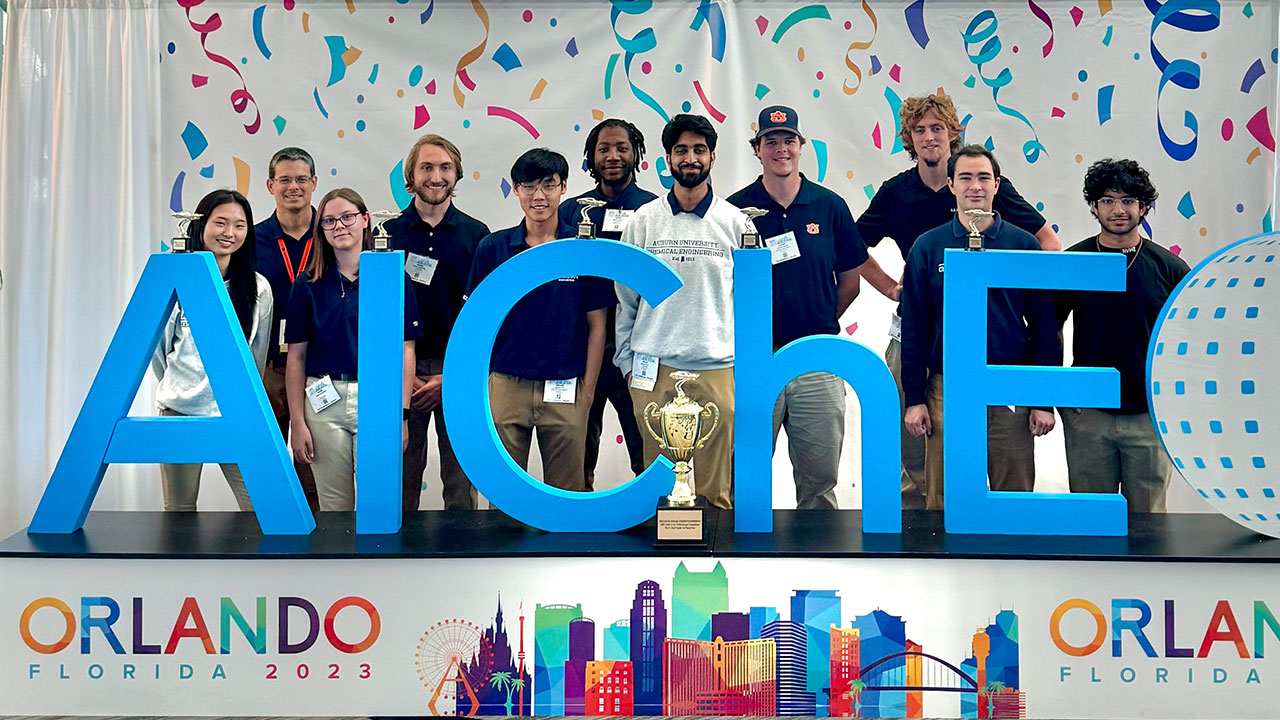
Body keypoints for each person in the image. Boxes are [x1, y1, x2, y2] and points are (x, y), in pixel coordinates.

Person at [856, 92, 1061, 510]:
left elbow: (1046, 279)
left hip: (1000, 359)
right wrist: (897, 289)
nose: (929, 137)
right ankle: (919, 537)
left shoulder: (1008, 223)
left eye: (938, 128)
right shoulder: (900, 200)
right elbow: (851, 246)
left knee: (1009, 472)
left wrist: (1042, 393)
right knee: (921, 456)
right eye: (920, 130)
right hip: (927, 343)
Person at [899, 145, 1060, 511]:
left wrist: (1042, 401)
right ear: (952, 185)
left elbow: (1044, 327)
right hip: (947, 387)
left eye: (984, 177)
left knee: (1013, 497)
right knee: (943, 501)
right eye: (966, 178)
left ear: (997, 185)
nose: (976, 186)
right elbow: (915, 331)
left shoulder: (1024, 245)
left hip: (1009, 388)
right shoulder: (928, 247)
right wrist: (914, 400)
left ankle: (1014, 564)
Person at [726, 105, 867, 509]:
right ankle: (741, 563)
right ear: (757, 149)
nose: (780, 149)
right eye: (771, 141)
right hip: (753, 361)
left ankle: (819, 559)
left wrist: (815, 319)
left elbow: (851, 281)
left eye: (788, 140)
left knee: (820, 483)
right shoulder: (735, 211)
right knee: (742, 477)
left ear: (801, 146)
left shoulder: (830, 206)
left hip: (817, 359)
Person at [616, 114, 749, 509]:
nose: (690, 158)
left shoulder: (735, 223)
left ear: (712, 158)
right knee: (659, 489)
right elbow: (625, 299)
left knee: (714, 490)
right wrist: (627, 364)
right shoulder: (643, 222)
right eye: (681, 151)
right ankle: (661, 564)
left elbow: (745, 303)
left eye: (698, 150)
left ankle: (715, 563)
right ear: (668, 160)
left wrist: (739, 366)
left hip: (717, 370)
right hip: (653, 370)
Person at [467, 148, 613, 491]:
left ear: (564, 187)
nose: (539, 196)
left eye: (548, 185)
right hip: (506, 385)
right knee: (504, 493)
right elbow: (476, 323)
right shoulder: (493, 248)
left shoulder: (582, 247)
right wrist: (486, 384)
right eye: (529, 186)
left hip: (566, 387)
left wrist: (587, 391)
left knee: (568, 496)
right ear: (515, 189)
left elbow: (598, 325)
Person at [1057, 159, 1189, 511]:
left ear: (1143, 207)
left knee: (1149, 525)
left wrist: (1173, 403)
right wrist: (1061, 397)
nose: (1118, 209)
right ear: (1093, 206)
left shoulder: (1170, 268)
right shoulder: (1075, 260)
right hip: (1089, 413)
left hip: (1148, 414)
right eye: (1108, 200)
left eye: (1128, 200)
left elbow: (1185, 342)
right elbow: (1049, 328)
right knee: (1090, 520)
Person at [284, 188, 421, 511]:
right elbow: (296, 358)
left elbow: (406, 351)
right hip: (322, 401)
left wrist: (402, 416)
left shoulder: (392, 278)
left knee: (379, 503)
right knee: (334, 506)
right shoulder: (307, 285)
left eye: (347, 217)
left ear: (365, 220)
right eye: (329, 221)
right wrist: (297, 422)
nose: (339, 226)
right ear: (321, 231)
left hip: (378, 398)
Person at [385, 134, 490, 512]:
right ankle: (394, 563)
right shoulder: (387, 236)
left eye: (445, 167)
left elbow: (483, 318)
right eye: (426, 167)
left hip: (458, 373)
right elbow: (376, 314)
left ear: (457, 174)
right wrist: (402, 373)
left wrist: (452, 376)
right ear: (410, 175)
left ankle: (462, 563)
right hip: (400, 374)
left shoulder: (478, 237)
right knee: (399, 483)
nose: (436, 176)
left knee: (461, 484)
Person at [152, 189, 273, 511]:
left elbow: (257, 355)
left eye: (239, 225)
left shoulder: (258, 288)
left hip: (236, 411)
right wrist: (183, 385)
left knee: (260, 509)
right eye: (220, 223)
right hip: (180, 412)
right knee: (179, 511)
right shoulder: (174, 283)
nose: (229, 233)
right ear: (201, 225)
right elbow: (160, 351)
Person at [557, 118, 657, 489]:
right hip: (582, 348)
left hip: (640, 345)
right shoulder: (571, 211)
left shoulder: (655, 209)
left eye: (621, 148)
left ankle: (653, 520)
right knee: (577, 444)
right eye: (604, 149)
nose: (613, 156)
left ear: (636, 154)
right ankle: (579, 528)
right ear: (591, 157)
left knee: (646, 444)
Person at [254, 146, 320, 510]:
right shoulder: (252, 240)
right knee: (267, 468)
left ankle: (320, 550)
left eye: (300, 179)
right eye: (284, 180)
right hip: (265, 367)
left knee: (313, 466)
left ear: (313, 183)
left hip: (316, 370)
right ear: (270, 185)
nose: (293, 187)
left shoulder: (331, 235)